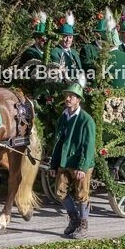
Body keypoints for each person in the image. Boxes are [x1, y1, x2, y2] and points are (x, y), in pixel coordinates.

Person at [48, 78, 96, 239]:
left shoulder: (86, 120)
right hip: (65, 162)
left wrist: (82, 167)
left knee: (82, 194)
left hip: (80, 164)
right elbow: (58, 143)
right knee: (59, 191)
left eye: (72, 96)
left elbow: (88, 147)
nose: (68, 99)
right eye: (67, 96)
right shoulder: (63, 118)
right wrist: (53, 165)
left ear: (78, 100)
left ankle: (84, 224)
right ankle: (74, 219)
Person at [49, 11, 83, 80]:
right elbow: (56, 75)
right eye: (65, 37)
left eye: (70, 37)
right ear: (60, 37)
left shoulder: (74, 52)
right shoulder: (55, 52)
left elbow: (80, 70)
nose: (68, 40)